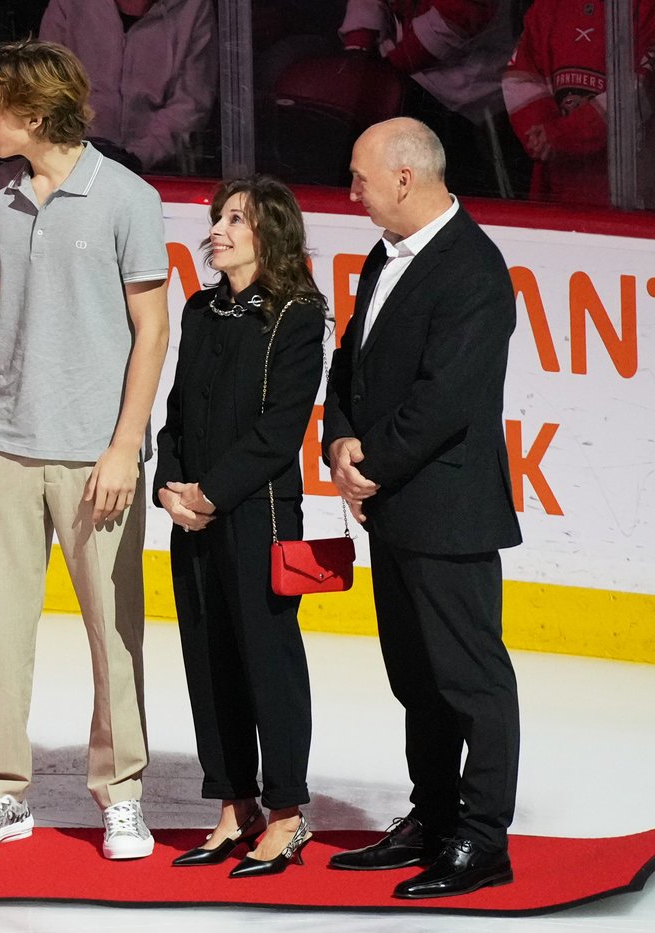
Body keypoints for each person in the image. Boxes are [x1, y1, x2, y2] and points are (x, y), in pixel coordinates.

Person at [0, 39, 170, 861]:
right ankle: (2, 793)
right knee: (4, 630)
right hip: (3, 445)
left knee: (114, 633)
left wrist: (122, 448)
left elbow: (152, 334)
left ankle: (123, 794)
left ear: (35, 114)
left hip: (92, 454)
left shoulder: (127, 199)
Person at [324, 117, 522, 899]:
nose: (351, 192)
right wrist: (340, 437)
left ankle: (482, 837)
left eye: (359, 177)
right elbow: (353, 363)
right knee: (416, 678)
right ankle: (433, 814)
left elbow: (447, 398)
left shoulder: (473, 268)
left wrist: (370, 464)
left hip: (447, 510)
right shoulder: (385, 256)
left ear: (405, 177)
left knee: (471, 681)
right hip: (395, 504)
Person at [153, 176, 326, 877]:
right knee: (208, 660)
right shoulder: (200, 309)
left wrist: (213, 494)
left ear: (269, 234)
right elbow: (178, 412)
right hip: (192, 515)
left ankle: (286, 811)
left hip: (258, 515)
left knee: (267, 661)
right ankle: (234, 801)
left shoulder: (296, 312)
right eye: (219, 217)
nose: (218, 229)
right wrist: (171, 486)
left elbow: (280, 429)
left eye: (236, 220)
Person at [339, 0, 523, 198]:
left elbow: (460, 15)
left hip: (476, 101)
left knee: (464, 200)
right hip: (408, 85)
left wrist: (388, 67)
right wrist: (359, 47)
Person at [503, 0, 655, 205]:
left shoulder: (646, 9)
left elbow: (642, 89)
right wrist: (542, 136)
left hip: (634, 190)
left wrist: (561, 134)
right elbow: (520, 77)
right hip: (559, 184)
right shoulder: (546, 7)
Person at [38, 0, 217, 173]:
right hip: (73, 167)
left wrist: (135, 158)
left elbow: (190, 104)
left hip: (160, 176)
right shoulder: (68, 4)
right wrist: (79, 154)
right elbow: (47, 89)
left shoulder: (193, 7)